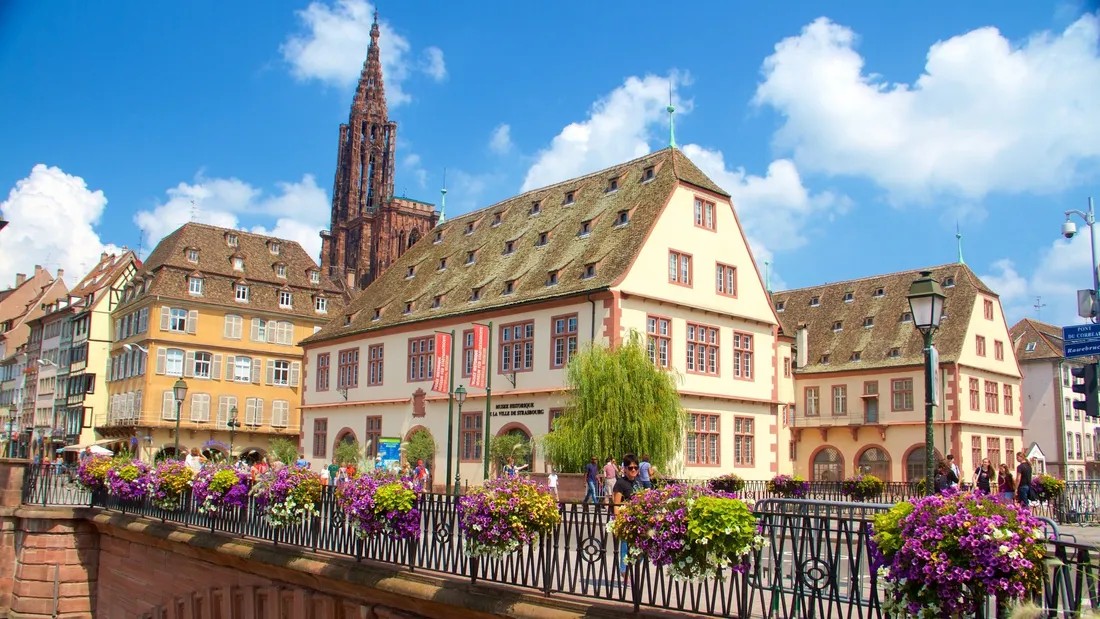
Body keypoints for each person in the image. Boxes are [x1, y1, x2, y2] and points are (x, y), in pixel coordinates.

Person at [612, 454, 642, 581]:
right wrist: (619, 521)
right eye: (630, 468)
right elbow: (616, 504)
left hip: (638, 521)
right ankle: (624, 573)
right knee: (625, 548)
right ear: (624, 469)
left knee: (641, 550)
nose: (633, 470)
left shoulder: (638, 482)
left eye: (635, 467)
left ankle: (630, 569)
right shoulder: (620, 483)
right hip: (627, 520)